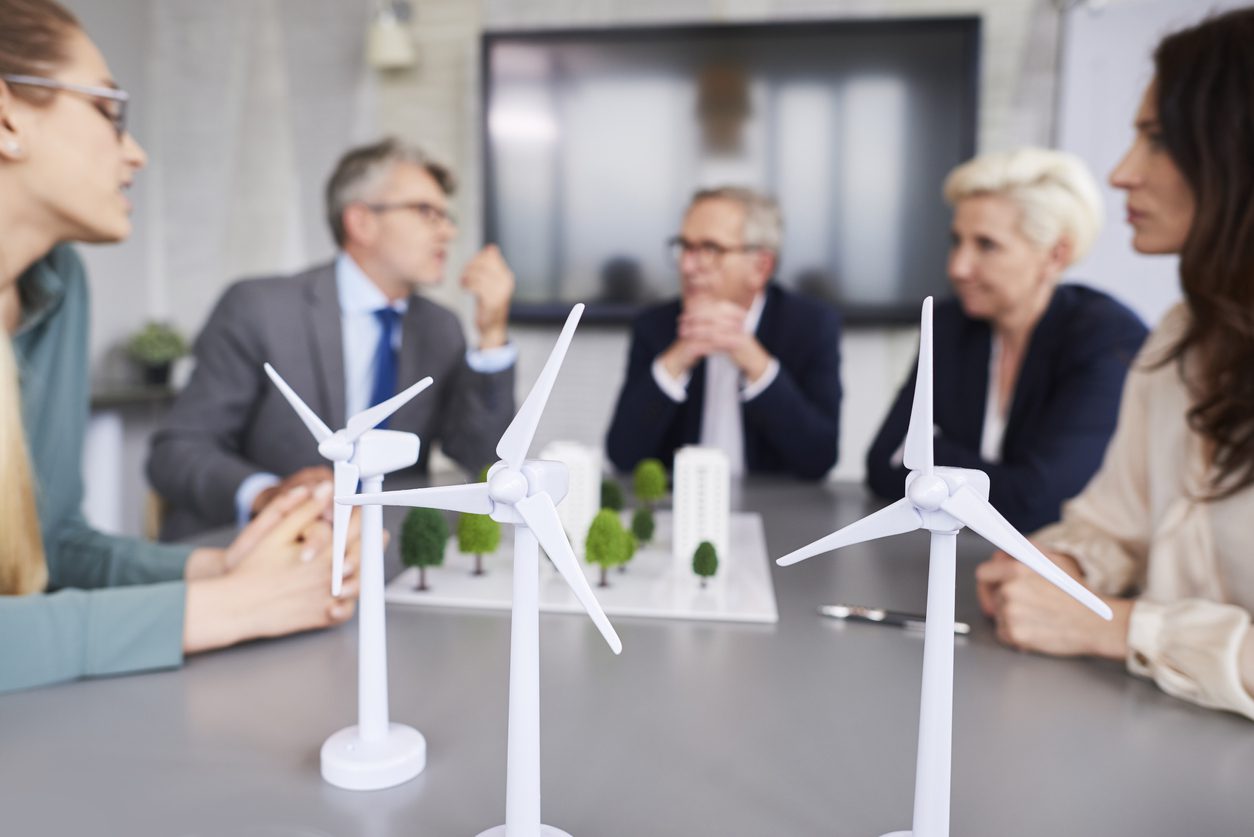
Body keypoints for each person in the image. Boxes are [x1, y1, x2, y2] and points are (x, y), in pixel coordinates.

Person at [0, 0, 361, 694]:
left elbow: (56, 546)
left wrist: (226, 569)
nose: (135, 151)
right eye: (111, 111)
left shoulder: (58, 284)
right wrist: (223, 609)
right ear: (9, 118)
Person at [976, 7, 1254, 720]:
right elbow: (1112, 522)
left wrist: (1117, 624)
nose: (1122, 173)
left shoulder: (1105, 334)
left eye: (1157, 140)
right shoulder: (1180, 339)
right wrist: (1064, 567)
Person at [146, 138, 517, 540]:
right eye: (426, 212)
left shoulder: (439, 327)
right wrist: (268, 495)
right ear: (361, 222)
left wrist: (492, 334)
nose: (448, 231)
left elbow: (485, 462)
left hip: (381, 559)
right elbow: (177, 452)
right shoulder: (259, 308)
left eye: (447, 217)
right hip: (263, 548)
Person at [866, 149, 1147, 532]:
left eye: (987, 245)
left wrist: (938, 458)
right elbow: (881, 463)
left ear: (1054, 255)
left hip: (1047, 574)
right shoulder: (950, 324)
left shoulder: (1107, 337)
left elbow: (1042, 503)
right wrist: (1002, 479)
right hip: (942, 559)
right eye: (956, 241)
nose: (958, 267)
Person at [605, 187, 842, 479]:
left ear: (760, 267)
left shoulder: (811, 325)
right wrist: (679, 357)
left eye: (710, 249)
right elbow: (622, 455)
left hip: (778, 512)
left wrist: (754, 360)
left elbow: (820, 457)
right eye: (684, 246)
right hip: (681, 509)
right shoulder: (655, 325)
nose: (687, 266)